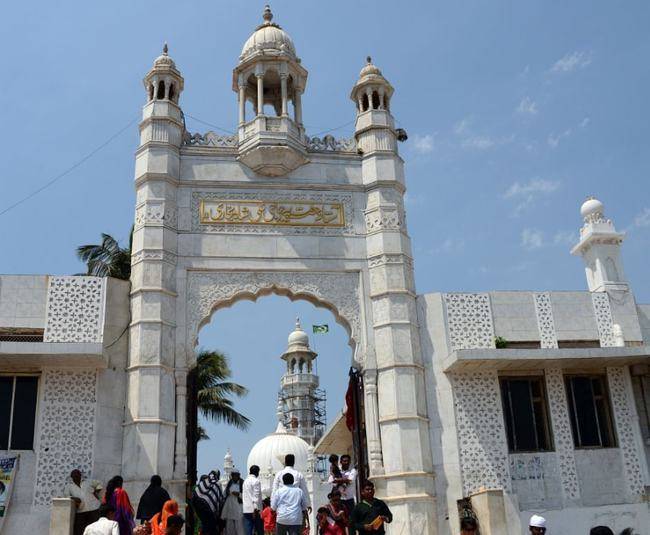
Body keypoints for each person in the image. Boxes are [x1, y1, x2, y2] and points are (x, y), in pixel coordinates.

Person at [66, 469, 103, 535]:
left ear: (80, 475)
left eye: (77, 475)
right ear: (71, 477)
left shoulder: (88, 482)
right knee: (79, 530)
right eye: (74, 476)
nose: (76, 477)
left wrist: (96, 491)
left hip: (94, 508)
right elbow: (66, 496)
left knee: (97, 529)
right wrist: (74, 498)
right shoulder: (69, 486)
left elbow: (99, 483)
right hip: (81, 511)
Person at [222, 470, 245, 535]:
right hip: (230, 507)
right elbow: (224, 494)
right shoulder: (229, 483)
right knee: (229, 526)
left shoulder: (242, 483)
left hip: (238, 507)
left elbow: (246, 496)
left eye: (236, 475)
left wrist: (238, 494)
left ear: (238, 476)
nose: (234, 477)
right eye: (233, 475)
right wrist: (228, 493)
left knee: (239, 526)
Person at [243, 465, 263, 535]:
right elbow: (256, 496)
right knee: (259, 530)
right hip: (255, 510)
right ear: (257, 472)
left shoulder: (245, 481)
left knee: (248, 530)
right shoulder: (256, 481)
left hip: (246, 509)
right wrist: (255, 509)